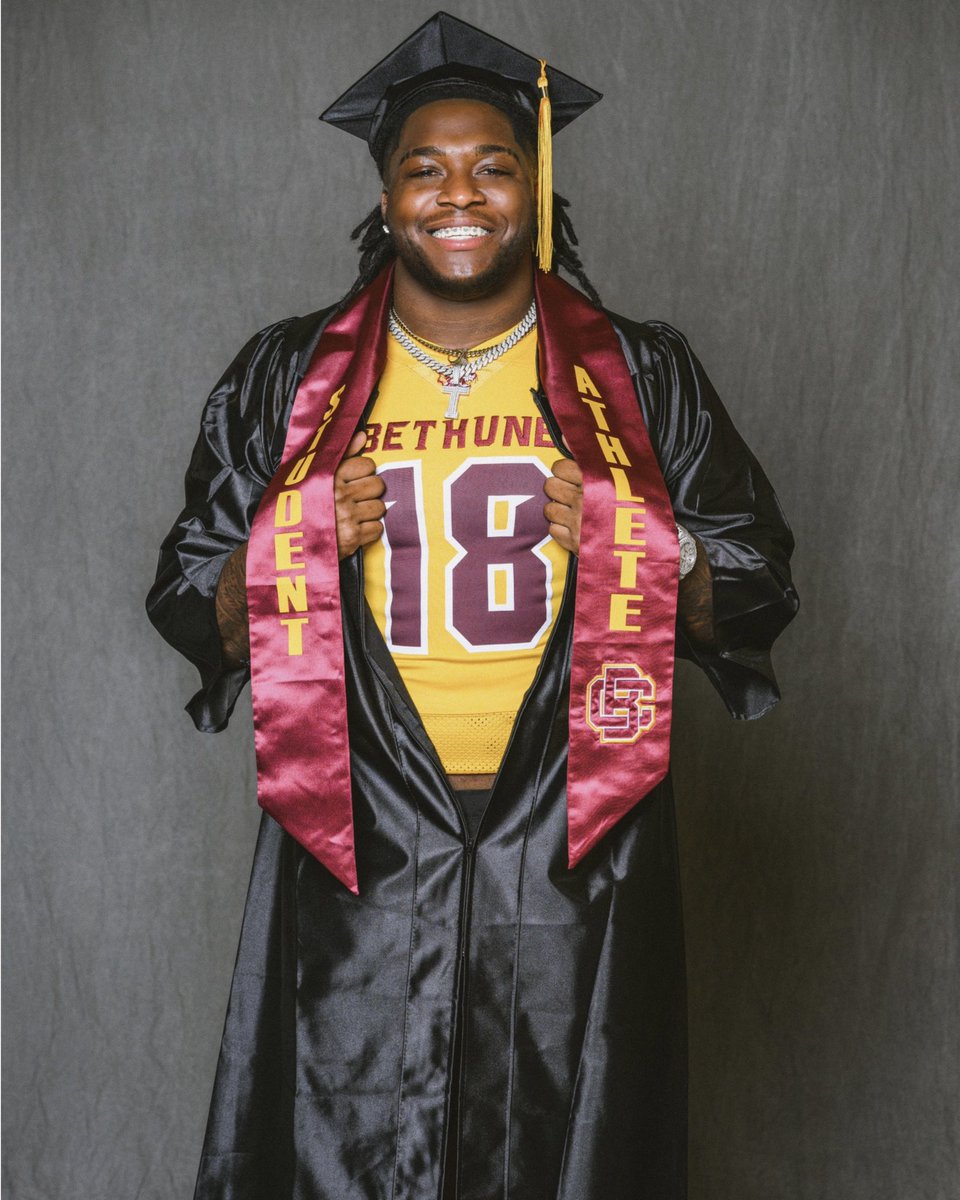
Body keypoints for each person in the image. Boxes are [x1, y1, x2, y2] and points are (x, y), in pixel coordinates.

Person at [147, 13, 798, 1199]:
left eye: (494, 165)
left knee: (559, 1144)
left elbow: (756, 585)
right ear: (386, 197)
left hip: (574, 819)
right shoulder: (289, 377)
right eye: (426, 168)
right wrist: (289, 545)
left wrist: (648, 551)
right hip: (358, 815)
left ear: (534, 192)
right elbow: (191, 598)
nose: (460, 193)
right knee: (341, 1144)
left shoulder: (637, 374)